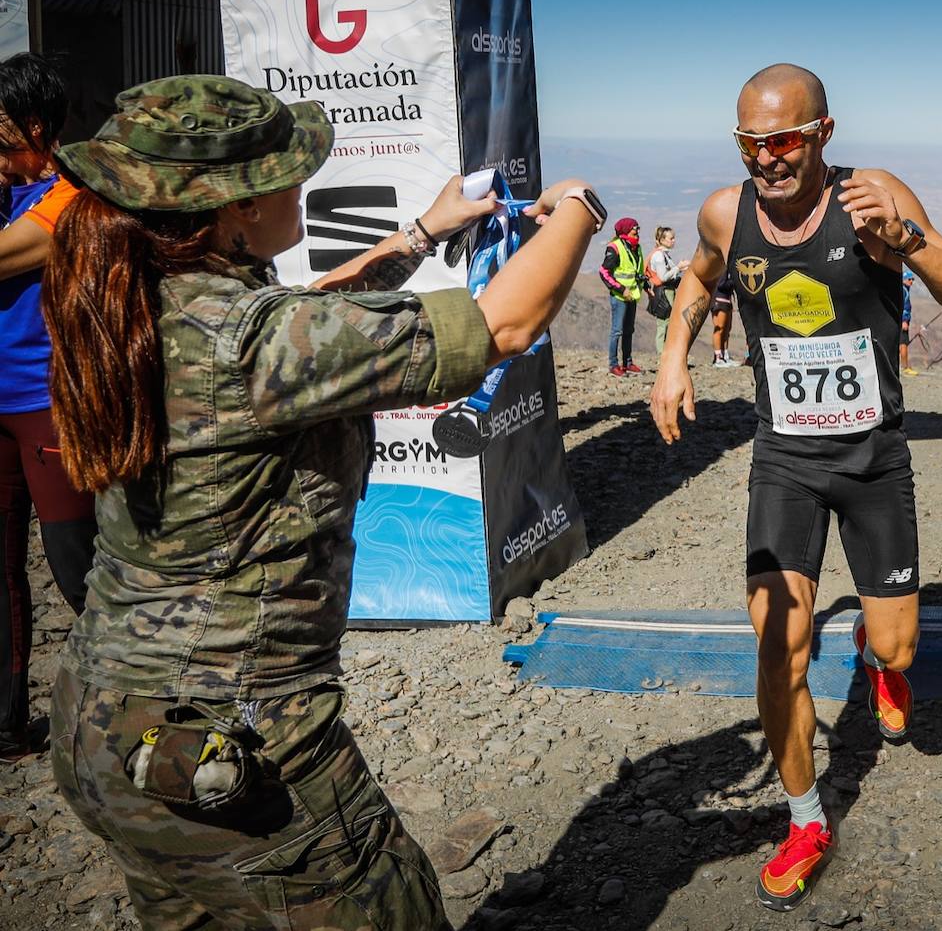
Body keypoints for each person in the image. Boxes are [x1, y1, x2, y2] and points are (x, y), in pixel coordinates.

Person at [41, 75, 603, 930]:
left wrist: (422, 233)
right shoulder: (252, 342)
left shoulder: (135, 299)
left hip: (105, 728)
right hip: (226, 742)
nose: (300, 182)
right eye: (283, 171)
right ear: (232, 209)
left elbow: (306, 323)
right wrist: (578, 210)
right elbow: (505, 324)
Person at [649, 63, 942, 912]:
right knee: (777, 647)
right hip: (786, 460)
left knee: (902, 645)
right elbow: (698, 279)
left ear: (824, 133)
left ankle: (882, 661)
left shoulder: (871, 195)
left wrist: (905, 239)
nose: (768, 158)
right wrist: (670, 358)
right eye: (751, 143)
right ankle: (805, 820)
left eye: (786, 139)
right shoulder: (725, 213)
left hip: (873, 458)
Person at [0, 53, 97, 762]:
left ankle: (136, 710)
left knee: (78, 566)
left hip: (47, 401)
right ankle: (6, 725)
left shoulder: (74, 192)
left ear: (35, 127)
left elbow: (11, 255)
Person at [599, 216, 647, 375]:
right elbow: (604, 272)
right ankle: (613, 365)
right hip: (620, 297)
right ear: (626, 230)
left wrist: (645, 286)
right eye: (635, 228)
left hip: (632, 295)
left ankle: (627, 363)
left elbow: (637, 270)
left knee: (629, 330)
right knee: (617, 331)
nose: (638, 231)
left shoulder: (636, 247)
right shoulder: (615, 247)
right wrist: (621, 289)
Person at [649, 225, 686, 353]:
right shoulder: (659, 256)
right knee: (663, 324)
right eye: (671, 238)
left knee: (669, 323)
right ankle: (662, 354)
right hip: (664, 292)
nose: (673, 240)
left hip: (667, 291)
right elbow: (663, 277)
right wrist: (678, 268)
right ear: (662, 240)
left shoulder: (664, 255)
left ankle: (666, 352)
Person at [898, 264, 928, 375]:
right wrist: (904, 321)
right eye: (909, 279)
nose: (911, 281)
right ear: (904, 280)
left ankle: (902, 366)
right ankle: (905, 368)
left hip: (901, 321)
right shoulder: (904, 291)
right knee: (903, 344)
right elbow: (903, 307)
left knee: (901, 344)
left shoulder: (903, 290)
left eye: (912, 279)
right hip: (902, 322)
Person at [711, 269, 738, 367]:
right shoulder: (722, 268)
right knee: (719, 328)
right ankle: (718, 357)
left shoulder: (729, 268)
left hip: (727, 300)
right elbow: (721, 284)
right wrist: (734, 282)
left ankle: (725, 355)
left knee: (727, 329)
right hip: (719, 300)